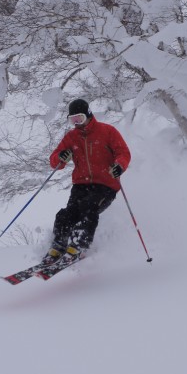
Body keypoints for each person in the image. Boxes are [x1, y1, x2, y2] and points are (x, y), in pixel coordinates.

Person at [41, 98, 131, 268]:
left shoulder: (107, 131)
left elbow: (123, 152)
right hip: (81, 185)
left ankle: (78, 245)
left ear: (89, 115)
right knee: (66, 214)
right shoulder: (71, 137)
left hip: (106, 185)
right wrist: (60, 158)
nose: (76, 123)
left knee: (89, 208)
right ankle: (58, 245)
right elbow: (55, 161)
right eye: (73, 120)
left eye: (79, 119)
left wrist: (119, 166)